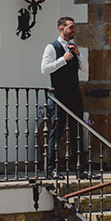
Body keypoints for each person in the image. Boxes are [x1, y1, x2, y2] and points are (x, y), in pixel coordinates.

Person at [40, 16, 88, 179]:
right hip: (58, 94)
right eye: (71, 27)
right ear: (62, 29)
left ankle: (80, 168)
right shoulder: (51, 47)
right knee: (56, 130)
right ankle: (51, 168)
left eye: (74, 27)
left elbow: (84, 69)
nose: (74, 30)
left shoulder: (74, 47)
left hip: (74, 94)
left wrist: (78, 54)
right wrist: (63, 59)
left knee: (77, 130)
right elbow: (44, 69)